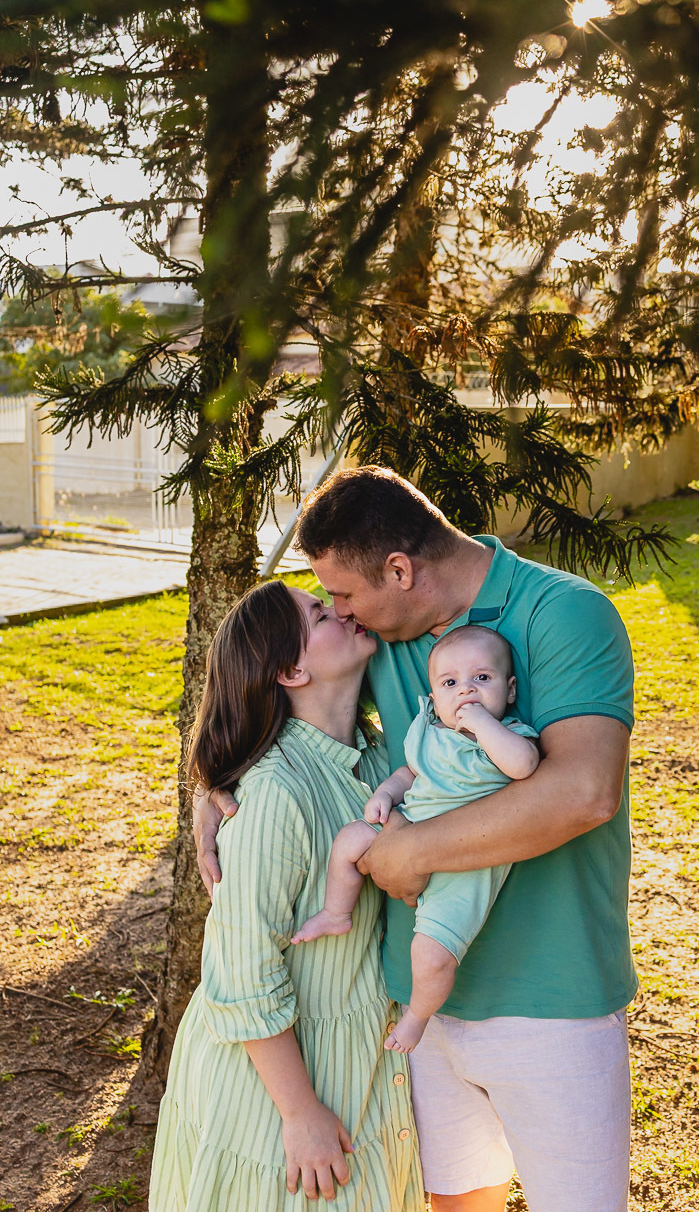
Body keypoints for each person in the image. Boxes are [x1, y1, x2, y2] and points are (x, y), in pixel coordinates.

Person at [196, 467, 636, 1212]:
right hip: (414, 1009)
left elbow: (583, 792)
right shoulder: (385, 638)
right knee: (455, 1205)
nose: (340, 612)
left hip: (551, 996)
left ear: (400, 570)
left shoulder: (566, 614)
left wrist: (411, 852)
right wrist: (209, 777)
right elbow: (274, 690)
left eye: (342, 594)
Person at [149, 580, 422, 1211]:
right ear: (291, 669)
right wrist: (299, 1112)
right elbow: (242, 970)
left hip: (358, 1056)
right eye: (322, 614)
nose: (344, 611)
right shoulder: (274, 794)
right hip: (277, 1085)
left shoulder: (378, 760)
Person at [291, 625, 540, 1054]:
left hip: (469, 865)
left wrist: (482, 724)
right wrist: (386, 795)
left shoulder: (508, 736)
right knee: (350, 839)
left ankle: (418, 1017)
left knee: (431, 954)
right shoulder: (428, 732)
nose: (466, 692)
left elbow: (523, 767)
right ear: (434, 697)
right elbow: (410, 774)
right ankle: (336, 911)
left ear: (510, 689)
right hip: (408, 826)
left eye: (482, 679)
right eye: (450, 683)